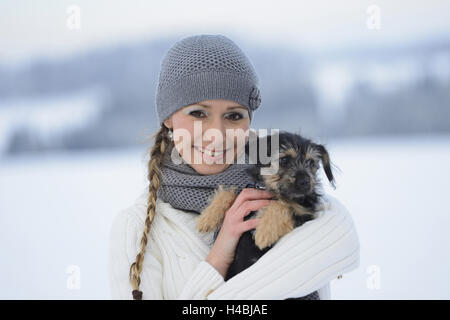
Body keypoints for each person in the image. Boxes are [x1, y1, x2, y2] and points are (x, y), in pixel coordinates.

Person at [109, 34, 360, 300]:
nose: (216, 133)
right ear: (169, 118)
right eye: (198, 113)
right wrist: (218, 257)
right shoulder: (136, 230)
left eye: (233, 116)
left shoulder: (295, 198)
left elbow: (342, 240)